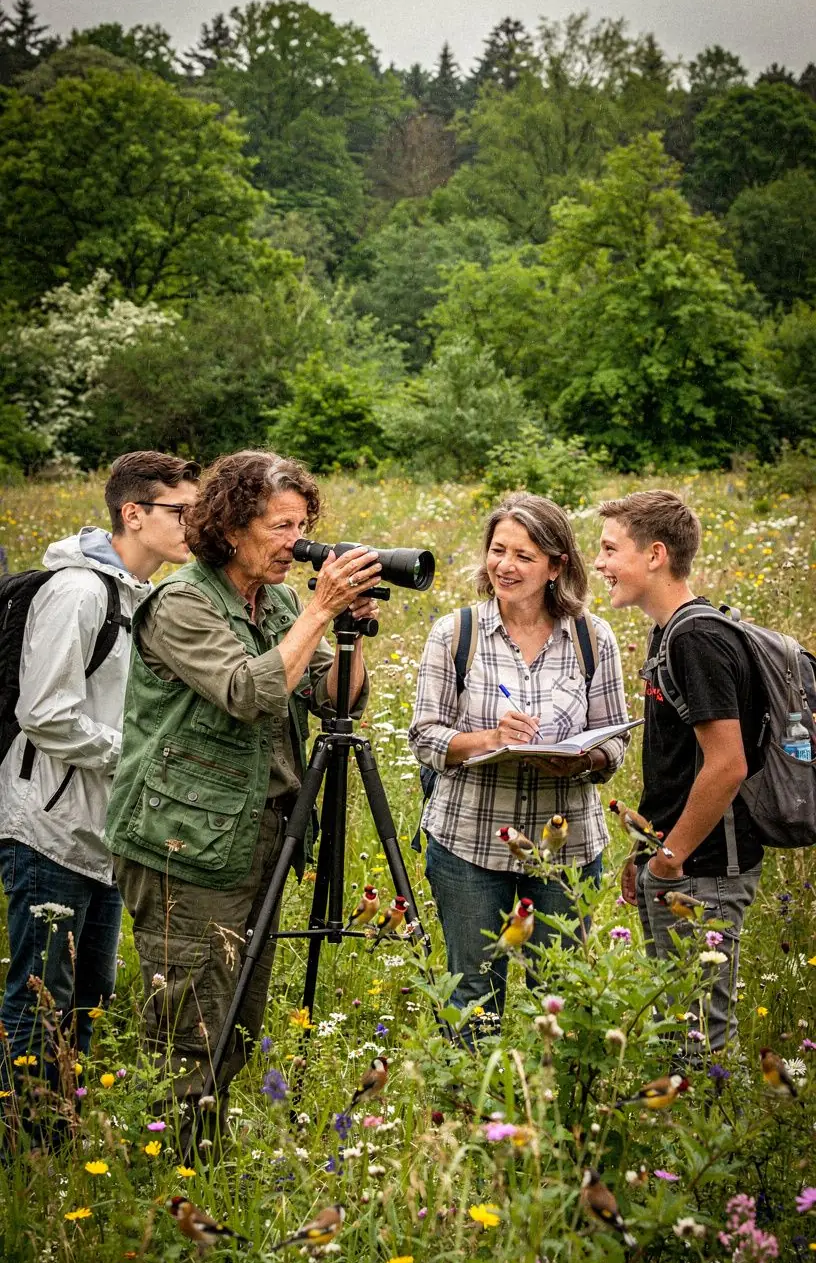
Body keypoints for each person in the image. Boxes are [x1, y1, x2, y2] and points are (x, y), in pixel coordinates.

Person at [105, 450, 379, 1130]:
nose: (298, 543)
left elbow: (332, 696)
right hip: (186, 843)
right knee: (192, 1024)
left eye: (303, 526)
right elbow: (248, 692)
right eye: (282, 527)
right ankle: (172, 1162)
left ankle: (200, 1151)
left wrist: (351, 629)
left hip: (257, 831)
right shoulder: (182, 604)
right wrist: (320, 611)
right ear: (232, 528)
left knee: (238, 1014)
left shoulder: (281, 600)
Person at [0, 451, 201, 1089]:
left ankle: (62, 1127)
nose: (193, 526)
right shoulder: (78, 591)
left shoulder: (139, 595)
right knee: (40, 1000)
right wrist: (137, 754)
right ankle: (23, 1141)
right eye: (180, 512)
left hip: (105, 833)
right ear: (132, 514)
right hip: (48, 829)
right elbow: (45, 714)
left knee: (90, 994)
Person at [409, 491, 629, 1035]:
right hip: (469, 844)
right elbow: (425, 736)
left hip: (565, 850)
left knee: (562, 992)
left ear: (557, 566)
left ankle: (550, 1108)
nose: (505, 566)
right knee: (473, 990)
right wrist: (487, 738)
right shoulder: (455, 633)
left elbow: (616, 740)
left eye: (524, 556)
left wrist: (582, 761)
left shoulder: (590, 636)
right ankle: (473, 1111)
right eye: (498, 551)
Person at [595, 490, 764, 1055]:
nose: (600, 564)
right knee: (679, 1027)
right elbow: (681, 766)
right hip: (682, 865)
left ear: (655, 554)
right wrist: (649, 851)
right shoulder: (671, 631)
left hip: (706, 872)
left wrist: (672, 858)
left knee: (700, 1040)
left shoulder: (697, 637)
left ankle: (715, 1141)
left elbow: (728, 763)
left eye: (609, 549)